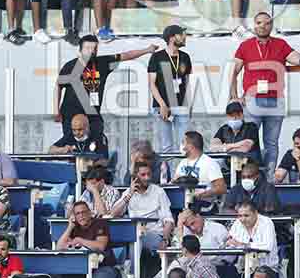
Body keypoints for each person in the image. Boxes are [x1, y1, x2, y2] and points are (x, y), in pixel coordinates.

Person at [230, 12, 300, 174]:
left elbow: (299, 59)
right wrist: (234, 96)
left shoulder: (281, 44)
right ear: (254, 25)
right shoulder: (245, 45)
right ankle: (250, 176)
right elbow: (233, 71)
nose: (263, 26)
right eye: (259, 22)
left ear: (271, 25)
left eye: (267, 23)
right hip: (252, 100)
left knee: (271, 143)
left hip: (275, 100)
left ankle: (268, 178)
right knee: (248, 141)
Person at [56, 34, 157, 138]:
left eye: (94, 48)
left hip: (92, 114)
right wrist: (56, 110)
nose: (91, 51)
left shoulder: (102, 63)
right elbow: (58, 86)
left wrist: (147, 50)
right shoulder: (70, 66)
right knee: (72, 143)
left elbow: (126, 55)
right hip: (71, 114)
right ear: (80, 50)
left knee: (97, 140)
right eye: (88, 48)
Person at [111, 161, 175, 263]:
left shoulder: (158, 192)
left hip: (154, 234)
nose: (147, 178)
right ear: (135, 177)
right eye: (143, 175)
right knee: (130, 237)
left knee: (136, 238)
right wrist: (130, 194)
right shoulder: (129, 193)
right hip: (133, 234)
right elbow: (113, 214)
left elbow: (168, 220)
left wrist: (165, 240)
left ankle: (132, 273)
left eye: (149, 174)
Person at [149, 25, 193, 154]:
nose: (185, 37)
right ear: (172, 37)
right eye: (181, 35)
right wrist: (162, 104)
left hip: (181, 106)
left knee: (184, 146)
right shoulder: (157, 57)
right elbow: (152, 84)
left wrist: (189, 104)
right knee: (165, 147)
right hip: (162, 106)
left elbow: (187, 82)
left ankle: (179, 174)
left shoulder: (185, 57)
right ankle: (167, 174)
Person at [55, 202, 118, 278]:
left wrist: (80, 240)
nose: (81, 216)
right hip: (81, 267)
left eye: (83, 212)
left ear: (89, 213)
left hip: (103, 266)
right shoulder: (74, 227)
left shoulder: (100, 223)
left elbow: (100, 246)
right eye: (77, 213)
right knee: (60, 274)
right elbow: (59, 247)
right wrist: (70, 226)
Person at [174, 132, 227, 207]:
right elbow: (175, 181)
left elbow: (222, 188)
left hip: (202, 202)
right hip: (181, 201)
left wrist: (203, 194)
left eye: (183, 142)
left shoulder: (209, 163)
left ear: (191, 146)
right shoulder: (182, 162)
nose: (181, 146)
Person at [174, 208, 231, 273]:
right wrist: (180, 227)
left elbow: (229, 254)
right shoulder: (185, 231)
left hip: (216, 268)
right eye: (188, 226)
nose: (192, 228)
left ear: (198, 216)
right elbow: (179, 254)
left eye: (193, 223)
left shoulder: (217, 228)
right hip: (190, 268)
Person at [226, 202, 278, 270]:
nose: (243, 219)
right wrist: (229, 243)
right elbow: (230, 243)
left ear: (256, 213)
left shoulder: (266, 222)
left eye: (246, 215)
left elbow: (267, 247)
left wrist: (241, 244)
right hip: (242, 268)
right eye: (240, 216)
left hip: (266, 268)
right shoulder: (237, 222)